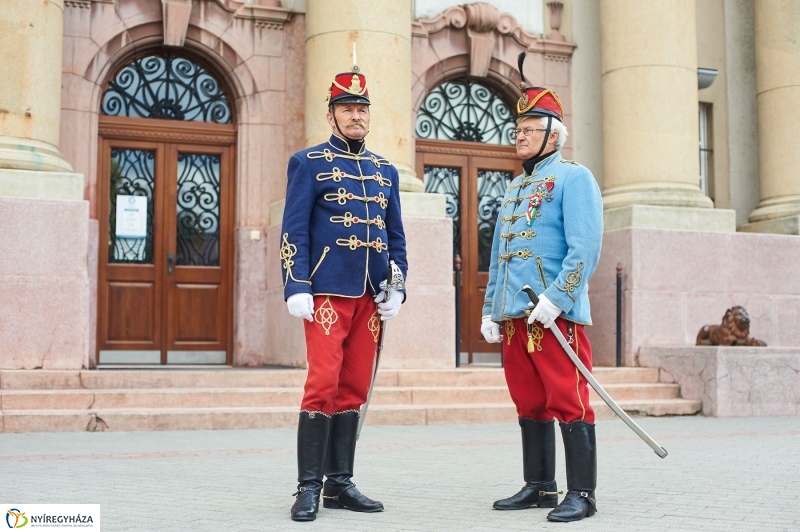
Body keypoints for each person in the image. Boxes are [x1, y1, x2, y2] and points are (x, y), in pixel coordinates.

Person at [281, 60, 408, 522]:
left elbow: (396, 237)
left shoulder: (384, 171)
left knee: (354, 387)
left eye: (362, 109)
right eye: (347, 108)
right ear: (330, 114)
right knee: (322, 385)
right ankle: (308, 487)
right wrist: (296, 284)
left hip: (369, 299)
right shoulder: (308, 163)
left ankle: (340, 483)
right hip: (327, 294)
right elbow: (294, 229)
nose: (356, 116)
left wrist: (398, 286)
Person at [480, 53, 603, 523]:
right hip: (516, 318)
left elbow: (585, 246)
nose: (520, 135)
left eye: (530, 128)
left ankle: (584, 494)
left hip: (553, 315)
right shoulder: (513, 189)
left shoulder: (574, 178)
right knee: (528, 401)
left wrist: (558, 297)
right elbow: (500, 256)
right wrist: (492, 310)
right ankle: (540, 486)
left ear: (554, 133)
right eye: (518, 128)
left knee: (568, 398)